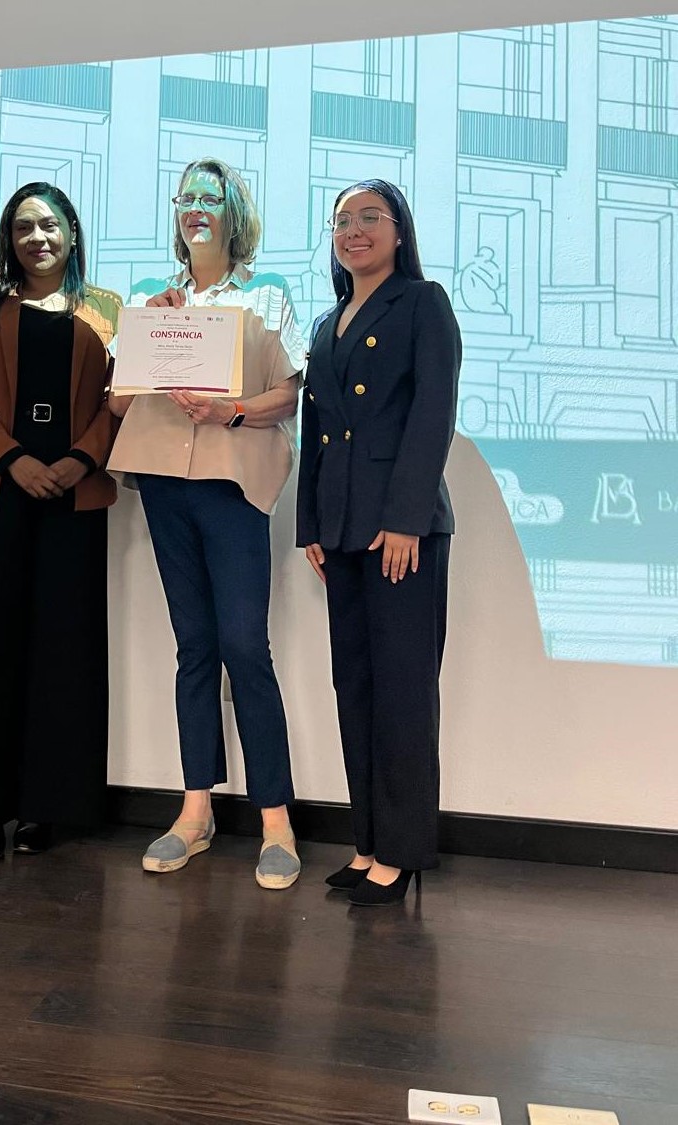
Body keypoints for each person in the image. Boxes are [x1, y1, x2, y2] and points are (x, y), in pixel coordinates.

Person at [107, 158, 305, 889]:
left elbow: (289, 394)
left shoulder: (267, 293)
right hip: (165, 485)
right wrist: (147, 336)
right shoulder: (148, 298)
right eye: (185, 196)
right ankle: (196, 812)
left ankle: (276, 820)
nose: (196, 208)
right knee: (194, 647)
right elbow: (119, 403)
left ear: (233, 213)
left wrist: (234, 411)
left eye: (210, 198)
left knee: (245, 648)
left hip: (232, 486)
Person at [0, 182, 121, 860]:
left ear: (71, 230)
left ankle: (50, 809)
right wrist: (14, 459)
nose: (36, 238)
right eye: (22, 228)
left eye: (47, 224)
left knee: (65, 655)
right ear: (8, 240)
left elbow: (119, 400)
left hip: (75, 496)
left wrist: (79, 460)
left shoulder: (107, 308)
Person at [296, 179, 461, 906]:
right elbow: (316, 432)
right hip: (341, 529)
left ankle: (401, 851)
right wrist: (311, 525)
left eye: (370, 217)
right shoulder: (328, 321)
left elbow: (432, 414)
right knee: (356, 686)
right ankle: (366, 843)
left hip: (401, 530)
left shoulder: (422, 303)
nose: (353, 231)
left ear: (399, 231)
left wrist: (406, 518)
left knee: (402, 692)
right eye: (342, 220)